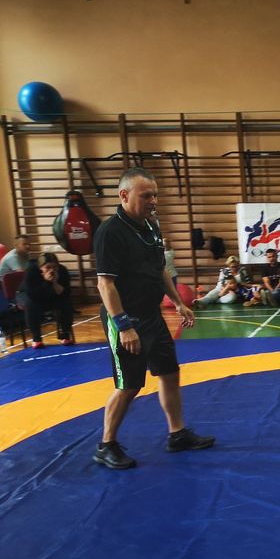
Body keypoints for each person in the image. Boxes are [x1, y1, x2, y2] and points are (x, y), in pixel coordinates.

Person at [93, 167, 214, 470]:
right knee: (129, 385)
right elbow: (105, 284)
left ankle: (177, 434)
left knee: (169, 373)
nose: (153, 201)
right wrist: (123, 326)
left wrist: (178, 303)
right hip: (126, 319)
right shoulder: (110, 232)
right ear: (124, 196)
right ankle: (106, 445)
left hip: (152, 315)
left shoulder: (151, 226)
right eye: (146, 195)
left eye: (155, 195)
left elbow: (159, 269)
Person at [17, 252, 74, 348]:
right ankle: (36, 338)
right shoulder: (31, 271)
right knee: (31, 305)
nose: (51, 270)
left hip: (51, 295)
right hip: (30, 295)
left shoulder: (62, 270)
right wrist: (47, 282)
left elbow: (66, 294)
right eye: (48, 267)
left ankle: (65, 335)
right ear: (40, 267)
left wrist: (54, 283)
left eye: (54, 267)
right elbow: (33, 295)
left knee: (66, 304)